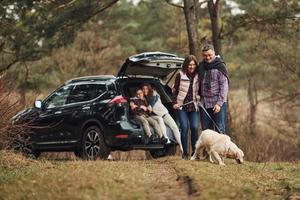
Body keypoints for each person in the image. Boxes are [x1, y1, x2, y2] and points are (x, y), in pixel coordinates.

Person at [173, 55, 200, 160]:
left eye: (193, 65)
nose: (192, 67)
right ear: (186, 65)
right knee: (184, 128)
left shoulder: (198, 75)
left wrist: (199, 96)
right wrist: (174, 102)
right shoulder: (180, 75)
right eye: (190, 65)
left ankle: (194, 153)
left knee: (194, 127)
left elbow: (200, 89)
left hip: (193, 106)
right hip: (182, 106)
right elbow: (174, 90)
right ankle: (185, 153)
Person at [142, 83, 183, 153]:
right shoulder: (143, 98)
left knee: (175, 127)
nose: (145, 90)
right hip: (155, 116)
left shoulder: (154, 93)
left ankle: (182, 147)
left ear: (149, 89)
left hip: (164, 113)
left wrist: (150, 106)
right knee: (160, 120)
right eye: (143, 89)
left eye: (146, 89)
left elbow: (155, 99)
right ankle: (166, 138)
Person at [198, 44, 229, 134]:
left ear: (214, 54)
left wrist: (219, 104)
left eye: (209, 55)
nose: (207, 57)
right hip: (204, 103)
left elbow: (224, 87)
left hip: (218, 103)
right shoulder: (201, 66)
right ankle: (209, 149)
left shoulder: (220, 66)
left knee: (220, 130)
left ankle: (220, 148)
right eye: (205, 55)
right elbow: (196, 81)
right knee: (206, 131)